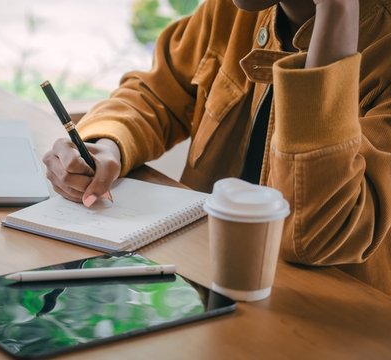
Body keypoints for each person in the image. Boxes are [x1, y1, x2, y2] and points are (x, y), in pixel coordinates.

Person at [42, 0, 391, 295]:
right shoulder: (232, 11)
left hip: (325, 320)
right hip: (203, 287)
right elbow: (157, 92)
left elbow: (315, 235)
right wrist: (108, 143)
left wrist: (337, 14)